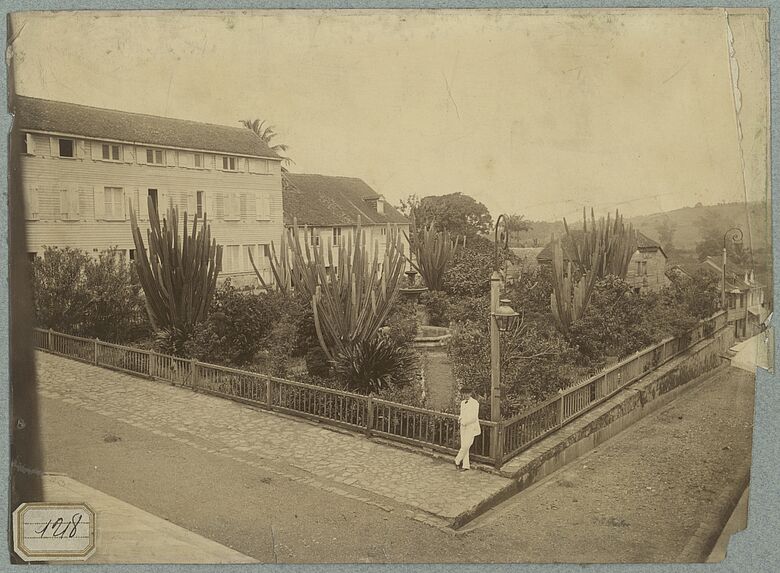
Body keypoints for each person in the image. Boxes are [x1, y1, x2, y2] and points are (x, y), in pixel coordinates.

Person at [454, 386, 481, 471]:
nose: (466, 395)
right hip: (463, 426)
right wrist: (460, 419)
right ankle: (466, 465)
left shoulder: (475, 403)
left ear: (470, 393)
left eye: (467, 393)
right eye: (464, 393)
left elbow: (474, 417)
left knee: (466, 445)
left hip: (471, 426)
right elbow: (462, 414)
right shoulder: (462, 403)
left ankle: (457, 460)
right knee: (464, 445)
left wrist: (465, 422)